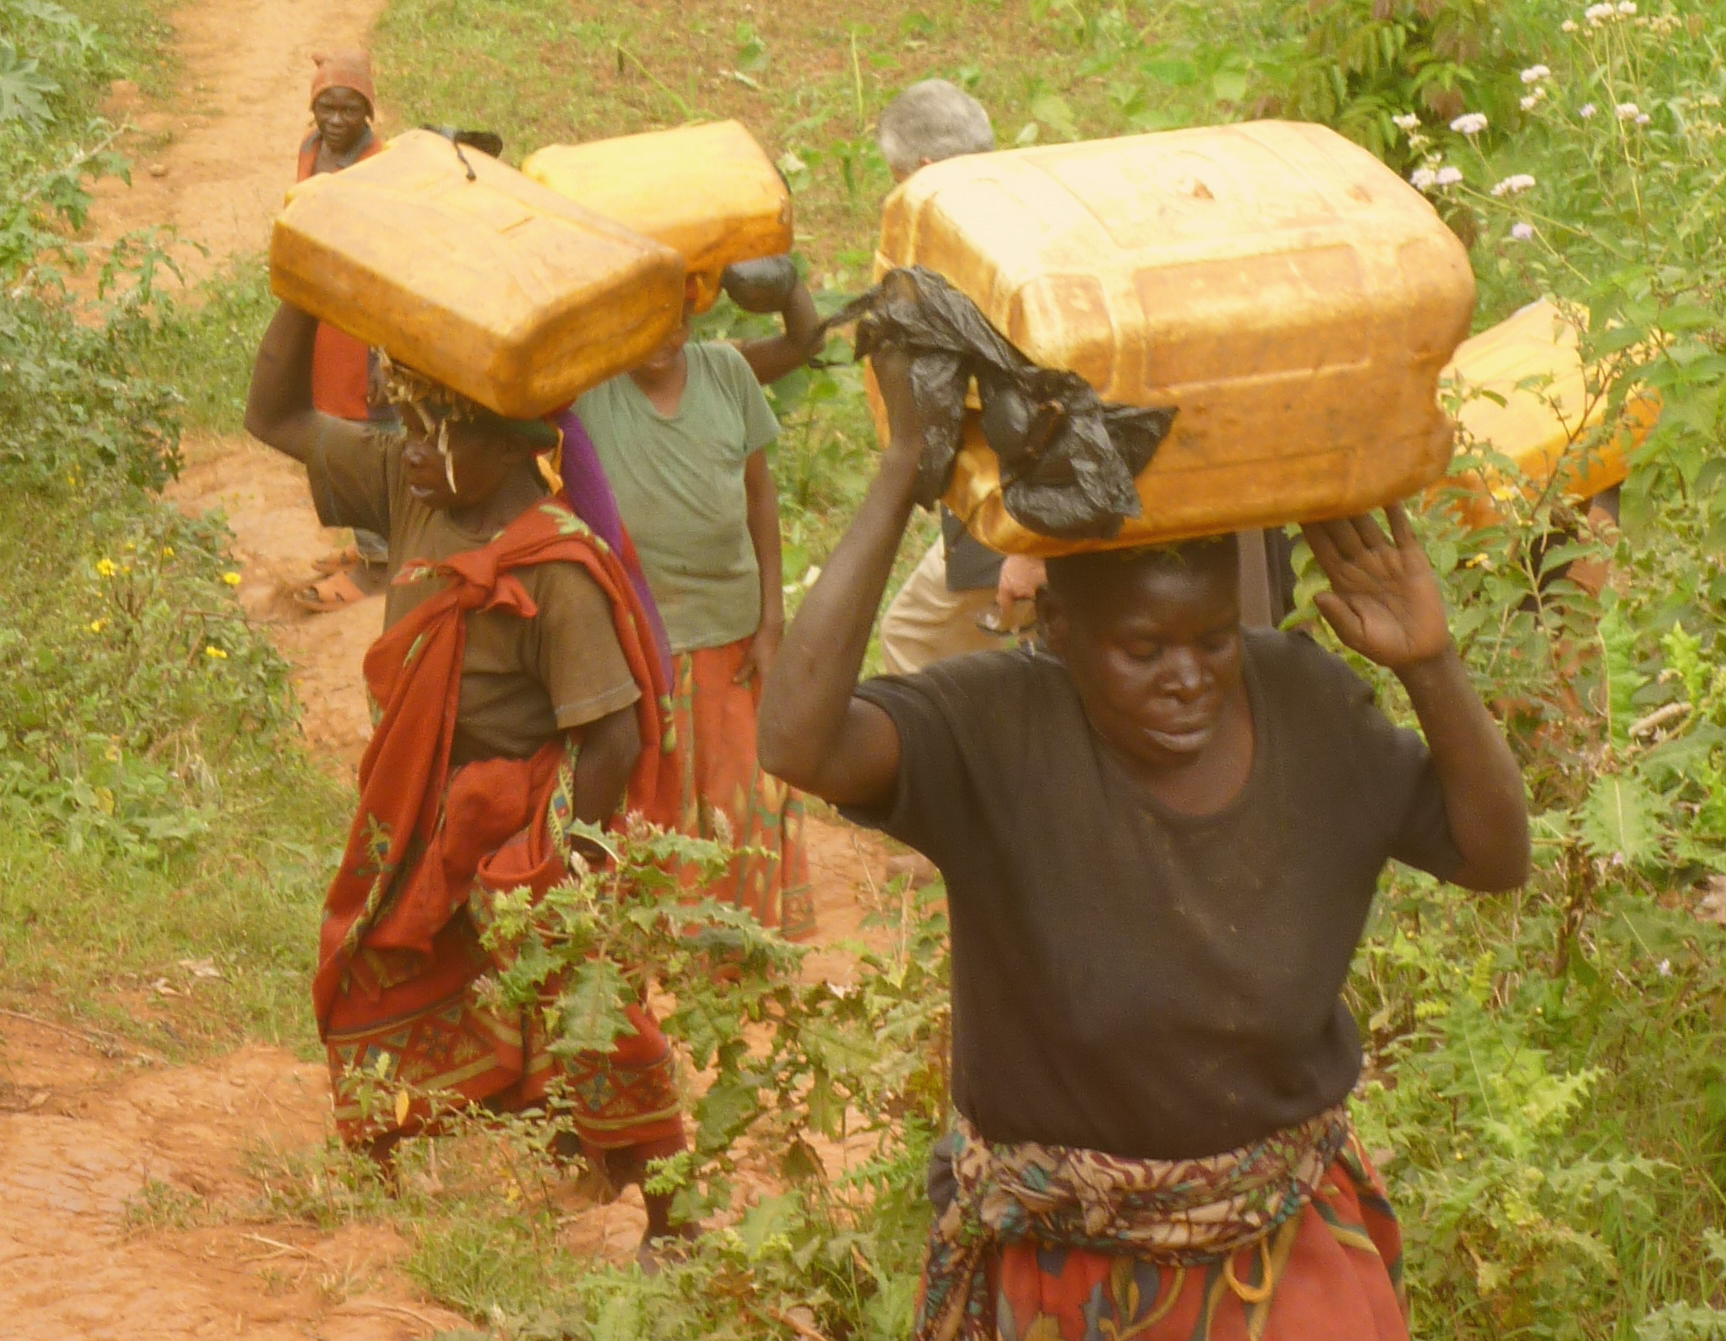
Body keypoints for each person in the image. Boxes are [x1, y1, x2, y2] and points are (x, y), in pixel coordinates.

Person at [758, 341, 1534, 1338]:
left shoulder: (1306, 702)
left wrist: (1431, 665)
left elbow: (1494, 857)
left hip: (1281, 1261)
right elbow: (798, 740)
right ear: (1060, 633)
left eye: (1213, 640)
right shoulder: (997, 729)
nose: (1189, 677)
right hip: (1073, 1282)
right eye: (1143, 650)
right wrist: (906, 466)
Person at [242, 301, 695, 1245]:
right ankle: (375, 1185)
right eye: (406, 427)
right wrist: (306, 290)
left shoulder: (558, 565)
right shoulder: (411, 491)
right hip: (414, 807)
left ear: (510, 446)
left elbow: (611, 734)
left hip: (522, 819)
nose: (410, 449)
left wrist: (566, 875)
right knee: (366, 961)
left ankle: (673, 1218)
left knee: (587, 1006)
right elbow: (273, 419)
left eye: (437, 435)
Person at [568, 272, 829, 937]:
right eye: (643, 321)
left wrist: (771, 622)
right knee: (659, 807)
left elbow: (760, 496)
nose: (662, 337)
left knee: (740, 800)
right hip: (643, 644)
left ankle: (745, 950)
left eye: (675, 319)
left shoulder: (727, 374)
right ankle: (663, 951)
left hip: (732, 635)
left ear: (692, 315)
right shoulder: (589, 391)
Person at [868, 79, 1051, 676]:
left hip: (1033, 512)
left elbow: (1060, 399)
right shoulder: (1037, 201)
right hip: (1002, 499)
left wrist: (1029, 549)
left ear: (923, 173)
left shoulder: (1000, 253)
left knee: (916, 642)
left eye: (899, 186)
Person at [291, 51, 394, 612]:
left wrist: (382, 356)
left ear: (368, 112)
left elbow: (385, 261)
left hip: (363, 322)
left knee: (365, 441)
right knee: (330, 433)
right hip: (322, 316)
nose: (335, 119)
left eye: (349, 109)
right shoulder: (310, 149)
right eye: (326, 106)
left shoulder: (379, 164)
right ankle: (367, 546)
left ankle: (380, 565)